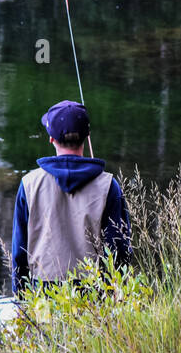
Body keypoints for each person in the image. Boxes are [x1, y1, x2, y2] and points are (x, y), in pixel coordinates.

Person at [10, 100, 131, 295]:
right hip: (94, 290)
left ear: (51, 139)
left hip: (42, 292)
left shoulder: (28, 184)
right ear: (87, 137)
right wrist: (116, 294)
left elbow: (19, 252)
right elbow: (119, 249)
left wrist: (20, 299)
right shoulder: (109, 186)